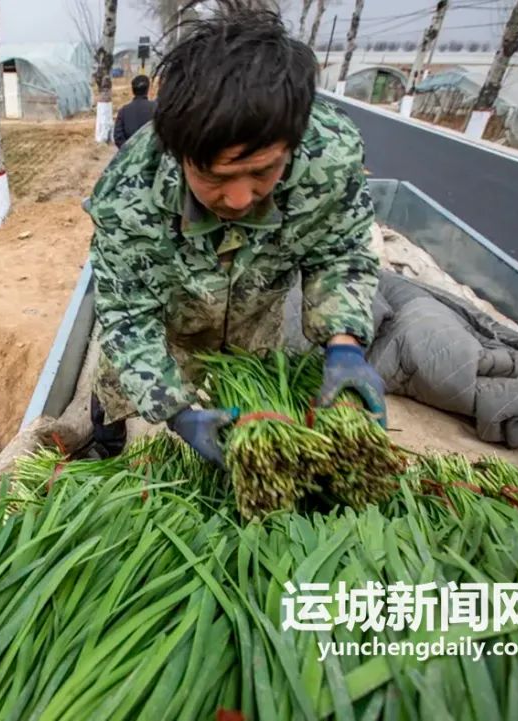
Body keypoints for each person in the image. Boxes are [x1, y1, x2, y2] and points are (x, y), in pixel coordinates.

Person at [87, 4, 386, 467]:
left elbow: (340, 250)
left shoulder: (329, 157)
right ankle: (102, 442)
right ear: (178, 152)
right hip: (168, 330)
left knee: (245, 409)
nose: (242, 198)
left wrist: (344, 342)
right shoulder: (130, 195)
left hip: (251, 329)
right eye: (216, 178)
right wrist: (175, 410)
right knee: (113, 395)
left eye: (264, 171)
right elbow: (126, 315)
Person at [113, 74, 155, 149]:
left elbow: (118, 137)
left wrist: (128, 150)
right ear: (148, 89)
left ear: (132, 91)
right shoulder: (157, 108)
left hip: (129, 157)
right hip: (151, 155)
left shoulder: (123, 111)